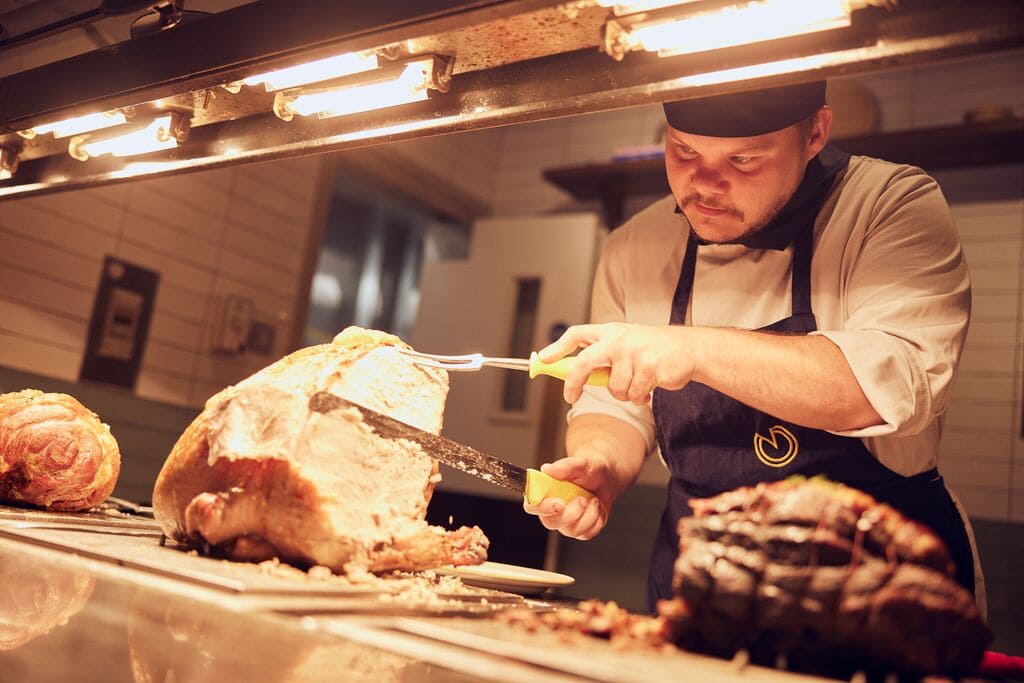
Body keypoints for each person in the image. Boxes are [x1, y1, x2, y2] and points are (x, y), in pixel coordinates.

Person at [523, 81, 980, 613]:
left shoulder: (888, 203)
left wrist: (691, 350)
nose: (706, 184)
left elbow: (891, 384)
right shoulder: (634, 244)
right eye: (684, 151)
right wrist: (600, 461)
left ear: (815, 134)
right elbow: (613, 400)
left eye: (743, 159)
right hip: (699, 581)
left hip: (872, 593)